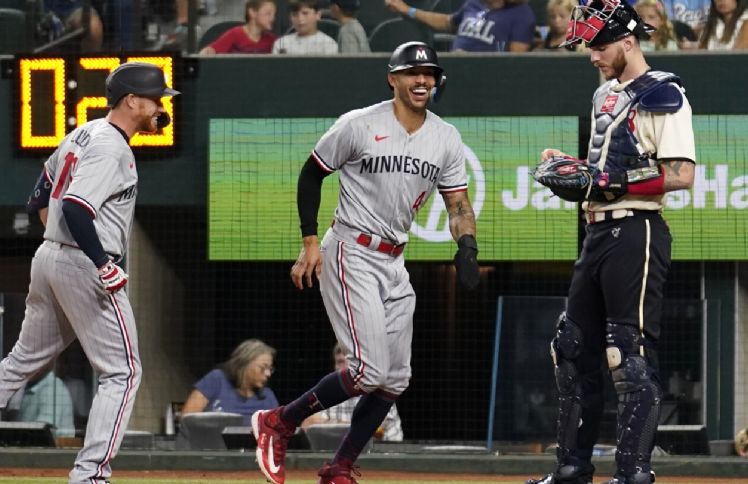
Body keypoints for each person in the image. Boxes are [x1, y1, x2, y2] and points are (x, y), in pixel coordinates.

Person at [0, 62, 179, 484]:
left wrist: (59, 245)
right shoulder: (113, 146)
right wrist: (99, 262)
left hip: (51, 258)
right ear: (131, 100)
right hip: (83, 261)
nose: (161, 107)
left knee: (21, 360)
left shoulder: (81, 133)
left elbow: (40, 194)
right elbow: (79, 208)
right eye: (156, 99)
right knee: (124, 371)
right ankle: (90, 475)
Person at [251, 41, 480, 484]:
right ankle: (279, 421)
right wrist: (310, 240)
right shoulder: (359, 124)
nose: (422, 81)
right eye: (412, 73)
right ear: (392, 78)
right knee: (367, 369)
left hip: (395, 260)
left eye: (429, 73)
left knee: (394, 379)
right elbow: (312, 172)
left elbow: (458, 206)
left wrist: (467, 246)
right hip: (351, 248)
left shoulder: (446, 137)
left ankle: (339, 466)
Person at [526, 0, 696, 483]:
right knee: (572, 346)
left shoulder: (665, 93)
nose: (592, 55)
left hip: (638, 230)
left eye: (600, 46)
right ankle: (572, 470)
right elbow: (603, 171)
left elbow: (680, 174)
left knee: (627, 353)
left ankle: (633, 473)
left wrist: (603, 182)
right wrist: (576, 171)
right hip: (597, 230)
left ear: (628, 41)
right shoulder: (603, 94)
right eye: (588, 46)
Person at [302, 343, 403, 442]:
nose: (343, 368)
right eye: (340, 362)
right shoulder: (328, 394)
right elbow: (308, 424)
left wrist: (331, 425)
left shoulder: (380, 397)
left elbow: (394, 442)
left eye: (350, 362)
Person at [181, 339, 280, 425]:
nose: (268, 374)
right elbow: (187, 419)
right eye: (263, 368)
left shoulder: (268, 397)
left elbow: (278, 433)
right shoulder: (216, 379)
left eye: (270, 369)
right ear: (244, 364)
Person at [385, 0, 536, 52]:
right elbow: (447, 22)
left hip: (488, 79)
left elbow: (516, 61)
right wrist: (408, 10)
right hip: (455, 68)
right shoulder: (473, 4)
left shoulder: (521, 14)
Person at [200, 0, 277, 54]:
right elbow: (209, 51)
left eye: (274, 14)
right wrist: (208, 51)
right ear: (252, 13)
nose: (273, 18)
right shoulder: (235, 34)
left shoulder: (272, 40)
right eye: (268, 13)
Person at [272, 0, 338, 54]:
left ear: (318, 15)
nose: (300, 19)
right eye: (295, 15)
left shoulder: (328, 44)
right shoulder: (282, 43)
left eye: (305, 13)